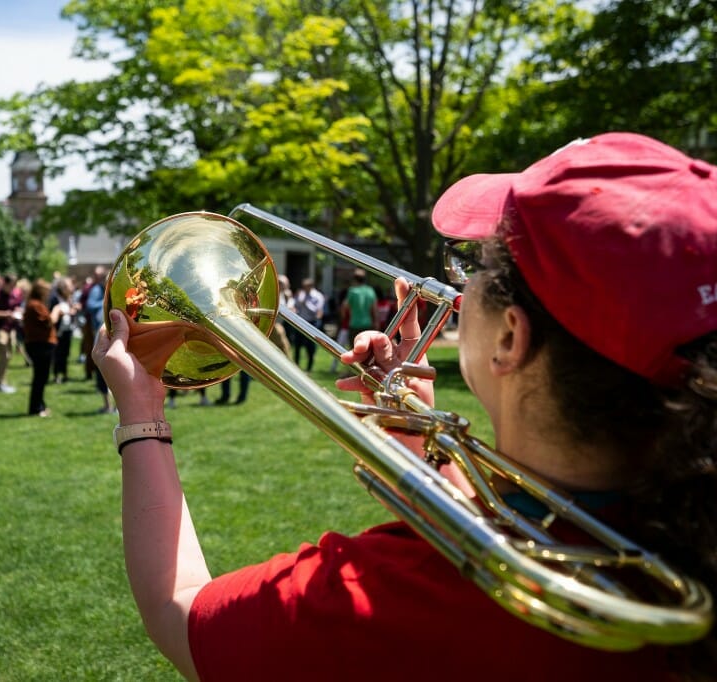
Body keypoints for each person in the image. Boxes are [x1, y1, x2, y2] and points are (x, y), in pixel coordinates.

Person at [92, 133, 717, 680]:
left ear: (509, 338)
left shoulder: (403, 594)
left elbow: (180, 611)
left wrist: (141, 416)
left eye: (472, 264)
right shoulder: (687, 522)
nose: (455, 284)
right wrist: (417, 444)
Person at [22, 278, 60, 417]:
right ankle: (36, 408)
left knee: (41, 377)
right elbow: (50, 321)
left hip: (40, 344)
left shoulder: (34, 304)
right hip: (40, 345)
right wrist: (57, 309)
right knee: (40, 377)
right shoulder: (35, 305)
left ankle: (40, 405)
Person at [292, 278, 324, 372]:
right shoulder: (301, 294)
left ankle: (309, 368)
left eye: (306, 287)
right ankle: (296, 366)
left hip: (311, 323)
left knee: (310, 346)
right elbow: (295, 305)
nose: (304, 288)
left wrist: (306, 303)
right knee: (297, 345)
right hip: (301, 321)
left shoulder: (318, 296)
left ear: (310, 286)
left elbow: (317, 311)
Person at [341, 267, 378, 342]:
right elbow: (374, 309)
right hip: (368, 324)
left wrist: (344, 317)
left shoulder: (352, 291)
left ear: (354, 279)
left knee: (355, 348)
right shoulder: (370, 291)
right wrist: (376, 322)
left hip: (354, 324)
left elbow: (344, 307)